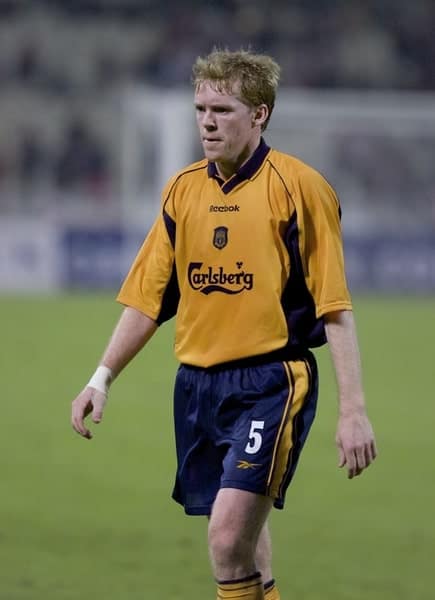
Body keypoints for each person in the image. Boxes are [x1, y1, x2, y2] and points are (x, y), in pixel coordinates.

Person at [71, 49, 377, 600]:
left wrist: (352, 411)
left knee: (226, 536)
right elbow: (146, 300)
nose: (207, 122)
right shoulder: (182, 190)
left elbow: (335, 307)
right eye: (200, 108)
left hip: (270, 382)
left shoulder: (300, 188)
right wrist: (101, 377)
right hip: (197, 386)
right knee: (245, 542)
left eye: (223, 110)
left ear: (259, 115)